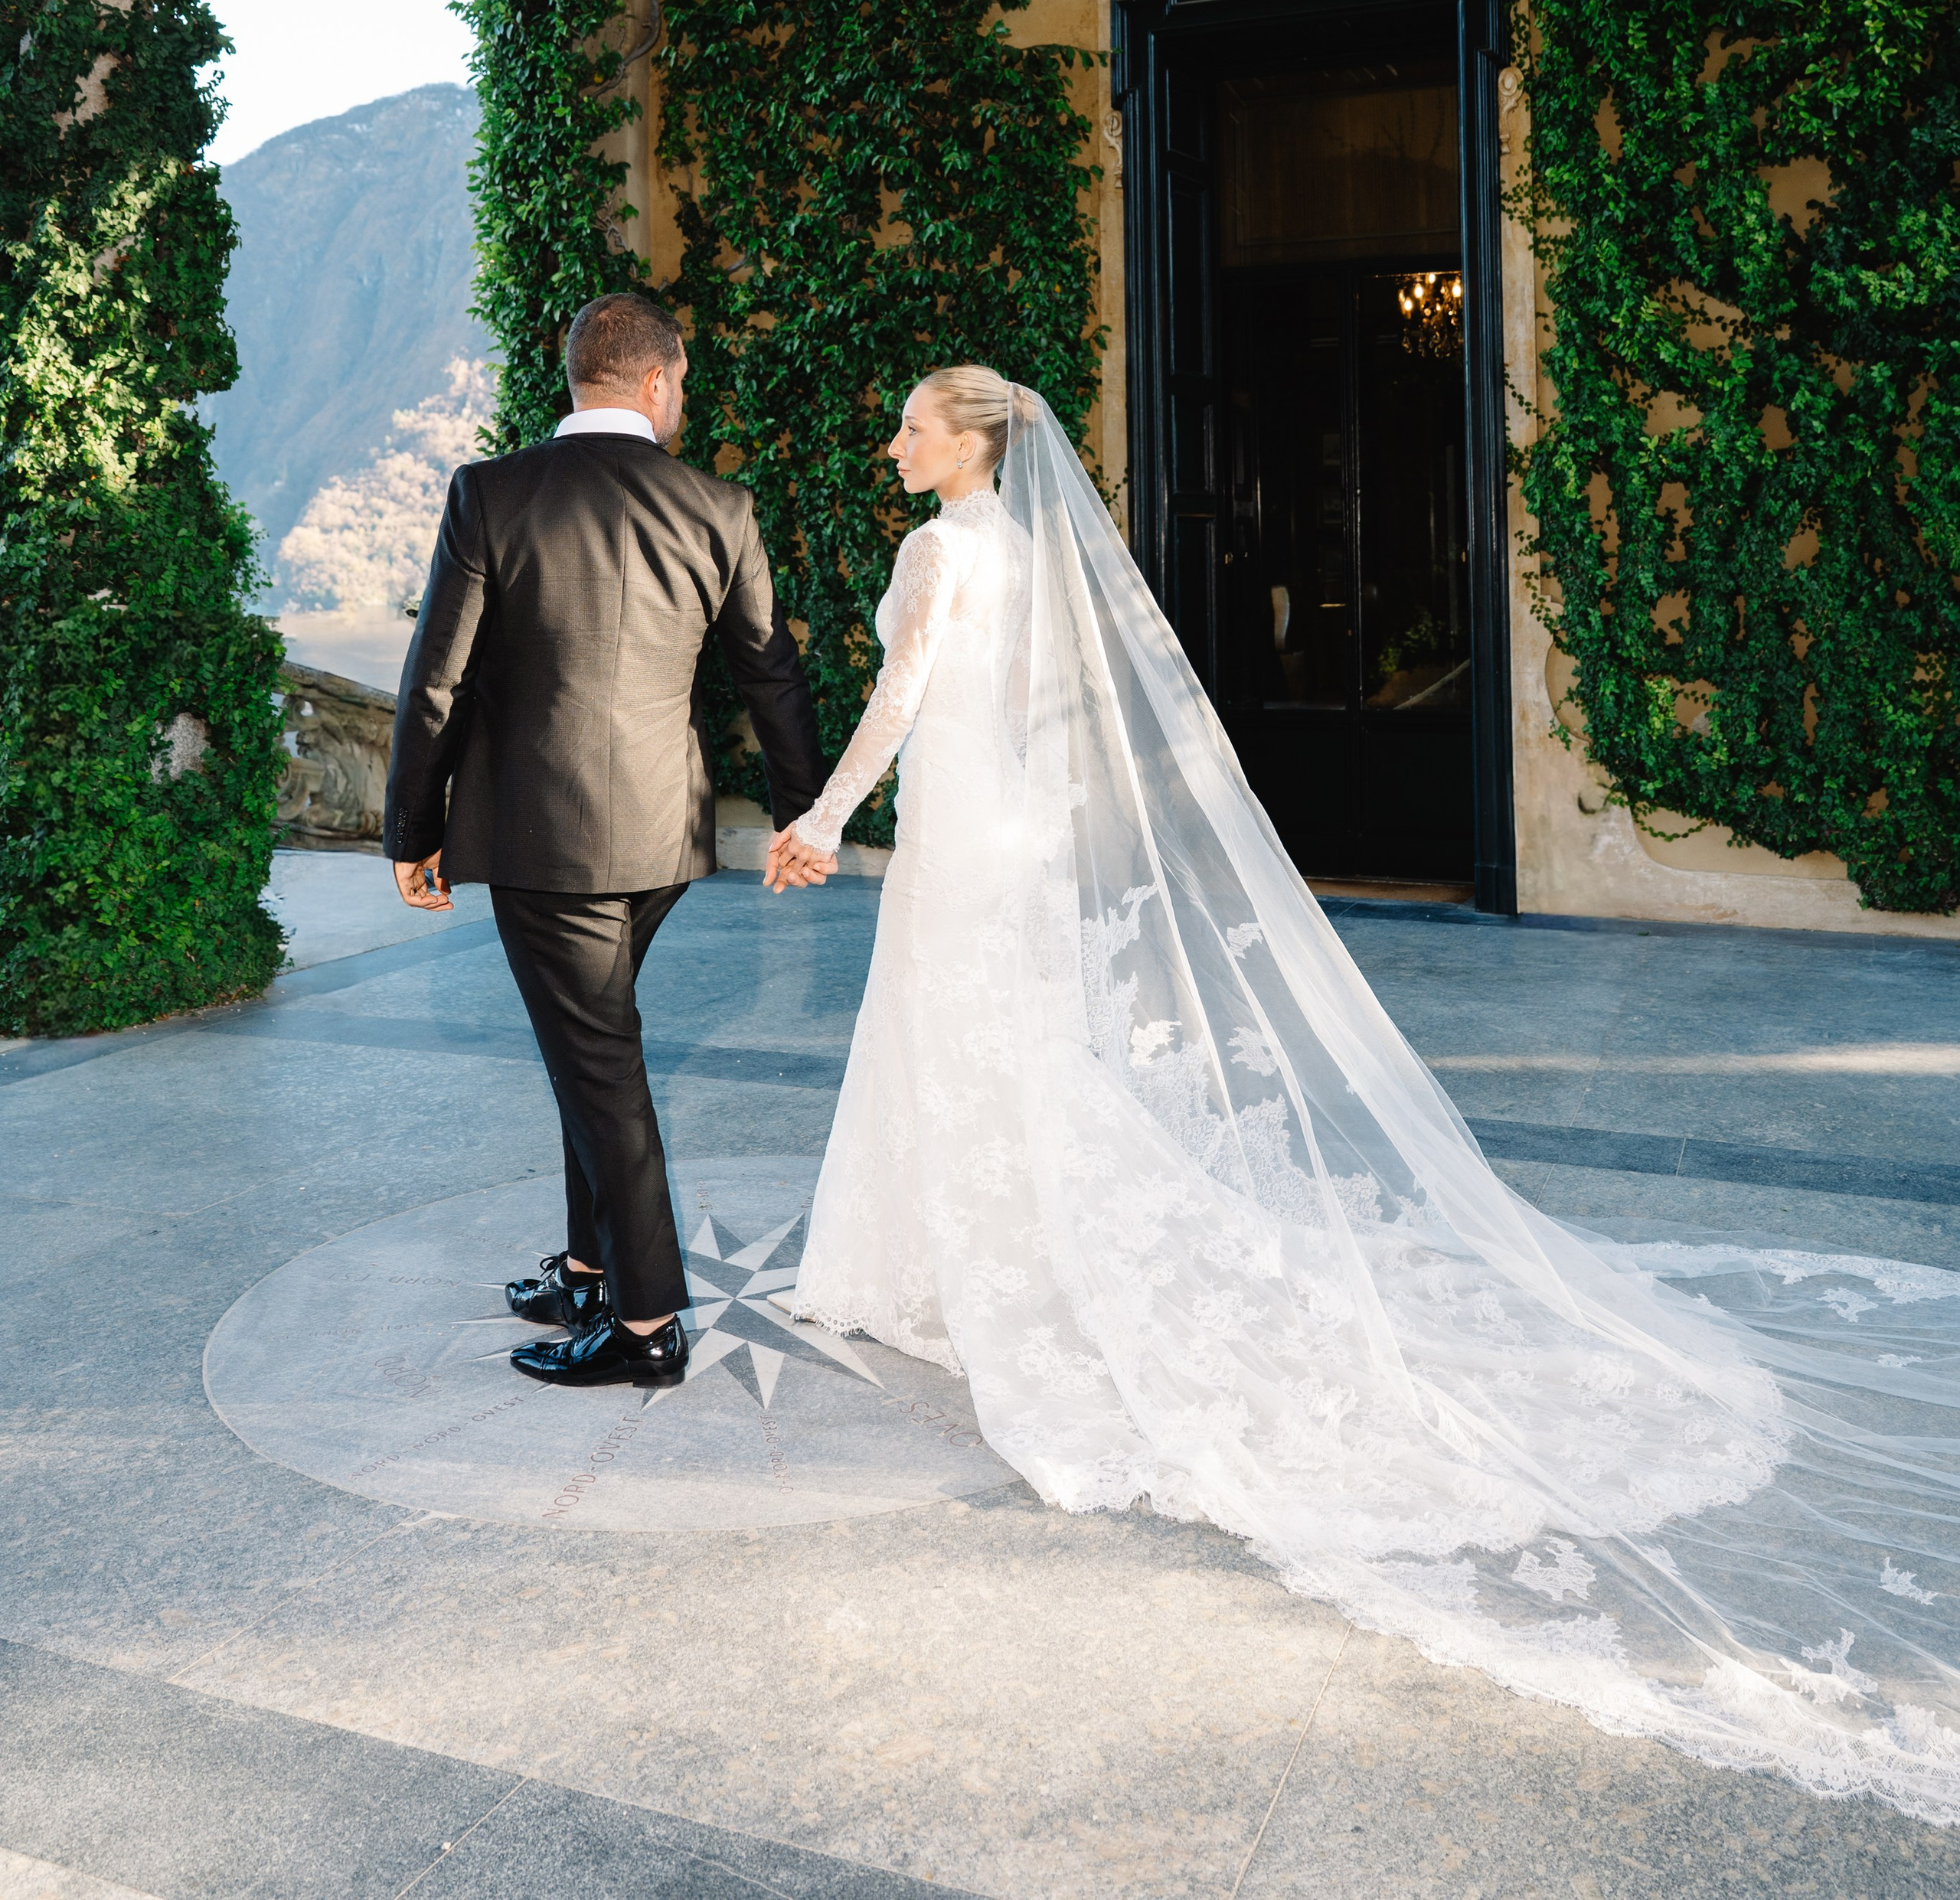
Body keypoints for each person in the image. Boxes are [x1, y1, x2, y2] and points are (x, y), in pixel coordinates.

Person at [765, 366, 1960, 1826]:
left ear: (969, 444)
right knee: (994, 1043)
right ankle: (937, 1249)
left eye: (910, 426)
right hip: (1005, 825)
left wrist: (822, 818)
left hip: (963, 833)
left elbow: (903, 695)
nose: (891, 442)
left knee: (960, 1037)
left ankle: (962, 1262)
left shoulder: (943, 549)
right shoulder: (1019, 546)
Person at [385, 291, 824, 1391]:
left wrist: (412, 826)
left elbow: (435, 680)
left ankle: (644, 1327)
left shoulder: (489, 494)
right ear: (659, 381)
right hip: (661, 838)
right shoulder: (720, 507)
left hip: (541, 841)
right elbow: (770, 670)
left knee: (600, 1066)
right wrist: (801, 813)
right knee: (596, 1049)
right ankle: (590, 1264)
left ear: (577, 375)